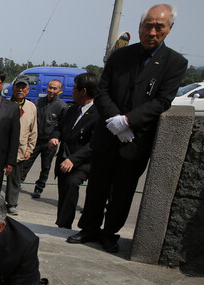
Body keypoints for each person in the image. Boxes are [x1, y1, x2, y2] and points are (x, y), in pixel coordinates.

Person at [68, 3, 187, 254]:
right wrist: (115, 121)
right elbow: (103, 91)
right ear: (140, 27)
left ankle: (110, 233)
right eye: (148, 25)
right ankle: (88, 227)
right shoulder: (120, 56)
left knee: (122, 191)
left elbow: (162, 101)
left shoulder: (175, 63)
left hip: (136, 138)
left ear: (169, 28)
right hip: (107, 132)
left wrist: (129, 122)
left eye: (159, 27)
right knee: (97, 185)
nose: (152, 32)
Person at [49, 72, 100, 229]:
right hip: (63, 160)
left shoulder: (98, 114)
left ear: (84, 91)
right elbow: (60, 127)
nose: (72, 91)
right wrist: (55, 137)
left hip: (81, 163)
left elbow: (93, 145)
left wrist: (73, 159)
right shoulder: (72, 109)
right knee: (63, 193)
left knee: (72, 185)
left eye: (75, 89)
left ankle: (65, 226)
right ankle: (63, 225)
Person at [23, 79, 67, 199]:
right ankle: (18, 182)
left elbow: (63, 127)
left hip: (50, 142)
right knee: (27, 162)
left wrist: (56, 139)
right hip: (36, 140)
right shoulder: (38, 102)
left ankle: (39, 187)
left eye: (55, 89)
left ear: (59, 91)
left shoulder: (62, 107)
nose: (51, 91)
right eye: (50, 87)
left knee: (46, 166)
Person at [7, 75, 37, 215]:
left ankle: (12, 203)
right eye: (18, 86)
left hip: (20, 148)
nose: (20, 89)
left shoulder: (31, 107)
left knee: (15, 178)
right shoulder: (5, 103)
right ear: (13, 88)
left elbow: (33, 130)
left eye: (23, 87)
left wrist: (29, 148)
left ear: (28, 90)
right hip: (3, 147)